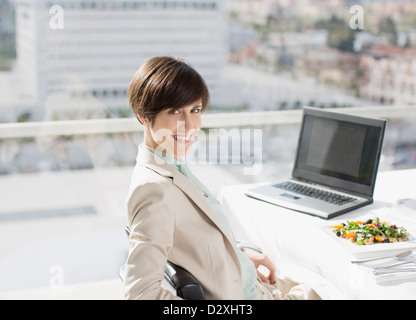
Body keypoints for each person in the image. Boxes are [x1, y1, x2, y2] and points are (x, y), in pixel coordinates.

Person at [123, 56, 320, 300]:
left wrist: (238, 257)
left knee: (318, 273)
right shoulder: (154, 189)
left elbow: (193, 243)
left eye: (195, 110)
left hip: (253, 284)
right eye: (174, 111)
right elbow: (139, 294)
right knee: (337, 286)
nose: (190, 124)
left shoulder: (170, 165)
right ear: (143, 115)